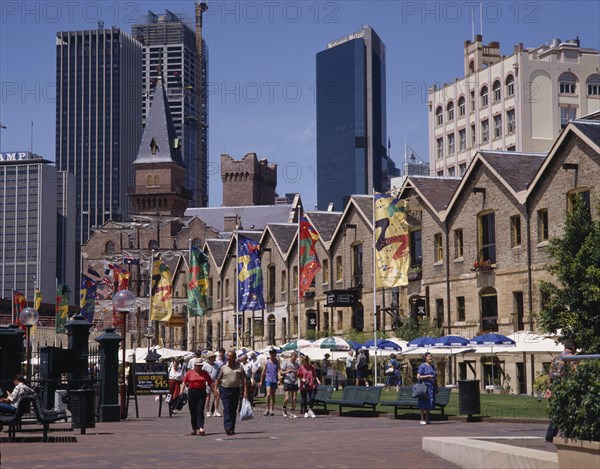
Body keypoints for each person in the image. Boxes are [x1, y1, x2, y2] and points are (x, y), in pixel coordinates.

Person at [545, 338, 578, 442]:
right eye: (575, 348)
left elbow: (549, 374)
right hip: (566, 388)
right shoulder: (572, 358)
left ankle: (550, 435)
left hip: (555, 387)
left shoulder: (556, 357)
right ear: (572, 347)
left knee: (557, 411)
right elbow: (576, 373)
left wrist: (549, 387)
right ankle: (570, 435)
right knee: (570, 410)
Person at [215, 350, 248, 436]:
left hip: (235, 390)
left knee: (233, 409)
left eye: (231, 356)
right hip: (225, 390)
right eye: (228, 356)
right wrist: (215, 389)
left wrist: (245, 391)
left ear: (234, 357)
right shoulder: (223, 367)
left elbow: (244, 379)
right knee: (227, 408)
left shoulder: (239, 367)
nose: (229, 358)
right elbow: (218, 379)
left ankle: (232, 427)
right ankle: (227, 426)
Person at [181, 358, 216, 436]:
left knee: (200, 411)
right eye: (198, 366)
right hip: (192, 392)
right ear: (194, 366)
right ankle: (194, 428)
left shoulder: (205, 373)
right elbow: (184, 382)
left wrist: (214, 392)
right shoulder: (190, 373)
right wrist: (181, 391)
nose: (199, 367)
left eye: (201, 366)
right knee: (193, 411)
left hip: (201, 392)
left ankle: (201, 427)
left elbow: (210, 383)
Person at [416, 352, 437, 425]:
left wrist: (436, 387)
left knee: (429, 402)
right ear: (425, 358)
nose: (430, 358)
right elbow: (418, 377)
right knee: (423, 402)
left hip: (431, 387)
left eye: (431, 356)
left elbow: (435, 377)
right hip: (424, 387)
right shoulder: (422, 366)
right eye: (428, 357)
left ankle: (427, 418)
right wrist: (427, 376)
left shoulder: (433, 366)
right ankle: (422, 418)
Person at [259, 348, 280, 416]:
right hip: (268, 380)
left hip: (274, 380)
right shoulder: (267, 362)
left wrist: (279, 379)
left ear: (274, 354)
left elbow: (279, 371)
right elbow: (263, 372)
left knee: (273, 395)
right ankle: (267, 408)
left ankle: (272, 409)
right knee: (268, 394)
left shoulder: (277, 362)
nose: (271, 354)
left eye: (272, 353)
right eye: (270, 353)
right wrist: (261, 381)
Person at [280, 351, 300, 418]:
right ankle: (284, 408)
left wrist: (296, 373)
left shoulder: (297, 365)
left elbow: (299, 373)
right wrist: (287, 372)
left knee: (294, 398)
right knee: (287, 398)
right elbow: (281, 372)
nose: (294, 360)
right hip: (287, 381)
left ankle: (293, 412)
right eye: (294, 358)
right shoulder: (286, 363)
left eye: (296, 358)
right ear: (291, 357)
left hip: (294, 382)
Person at [202, 352, 221, 417]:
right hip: (207, 383)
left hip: (214, 383)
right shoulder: (205, 365)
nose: (213, 358)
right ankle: (207, 411)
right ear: (209, 358)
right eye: (212, 357)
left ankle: (216, 410)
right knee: (208, 397)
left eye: (214, 357)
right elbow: (202, 374)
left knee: (217, 396)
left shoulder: (216, 366)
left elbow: (218, 375)